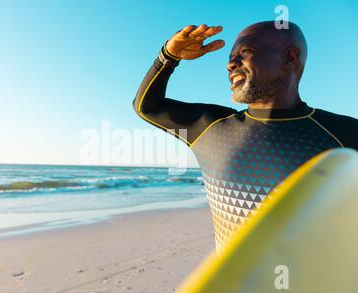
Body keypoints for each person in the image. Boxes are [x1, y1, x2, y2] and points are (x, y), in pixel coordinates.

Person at [133, 21, 358, 252]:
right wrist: (168, 57)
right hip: (233, 288)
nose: (231, 65)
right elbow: (147, 107)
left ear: (289, 58)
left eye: (245, 52)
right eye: (231, 57)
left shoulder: (344, 134)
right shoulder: (209, 127)